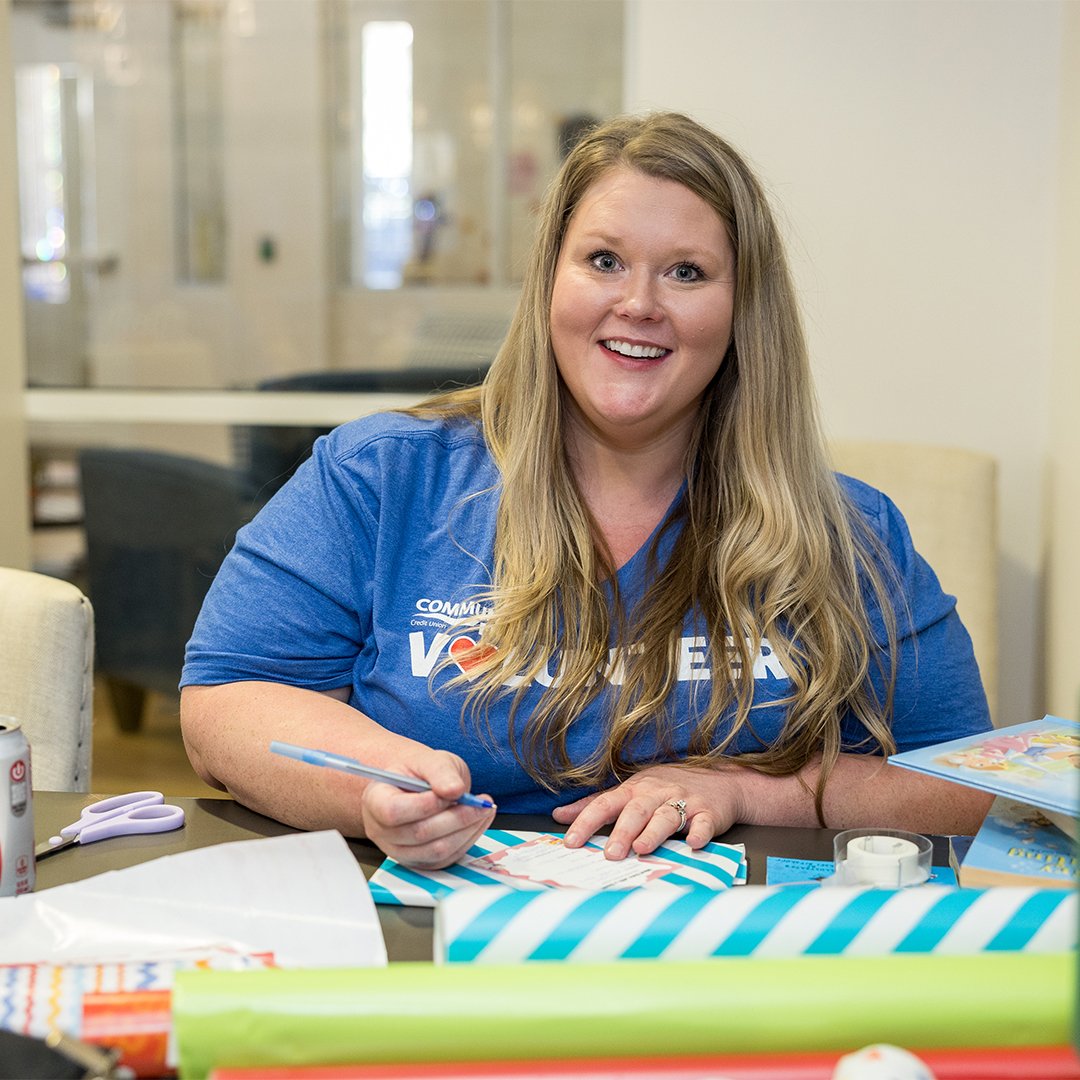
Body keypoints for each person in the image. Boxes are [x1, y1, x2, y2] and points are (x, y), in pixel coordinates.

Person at [180, 112, 993, 870]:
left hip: (740, 964)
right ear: (549, 282)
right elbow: (227, 703)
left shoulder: (848, 533)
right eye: (603, 261)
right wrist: (371, 787)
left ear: (743, 309)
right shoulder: (382, 479)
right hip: (442, 942)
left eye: (686, 272)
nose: (637, 304)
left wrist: (747, 790)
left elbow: (968, 786)